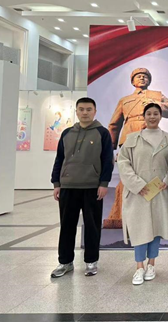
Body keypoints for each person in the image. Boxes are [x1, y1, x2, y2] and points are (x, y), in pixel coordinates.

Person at [104, 67, 168, 229]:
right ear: (132, 81)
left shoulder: (157, 95)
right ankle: (121, 215)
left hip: (151, 135)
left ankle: (148, 217)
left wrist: (156, 104)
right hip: (129, 137)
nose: (142, 78)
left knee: (150, 173)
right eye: (138, 76)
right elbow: (114, 124)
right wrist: (111, 148)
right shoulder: (125, 100)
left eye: (145, 76)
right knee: (128, 177)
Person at [50, 97, 114, 278]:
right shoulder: (67, 133)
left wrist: (104, 183)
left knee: (92, 226)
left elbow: (107, 160)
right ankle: (65, 262)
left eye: (88, 109)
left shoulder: (102, 133)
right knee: (67, 226)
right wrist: (56, 183)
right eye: (81, 109)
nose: (85, 112)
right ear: (76, 111)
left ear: (95, 111)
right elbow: (59, 159)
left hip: (92, 187)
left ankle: (91, 261)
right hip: (68, 186)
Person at [117, 103, 168, 285]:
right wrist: (137, 184)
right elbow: (123, 162)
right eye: (149, 113)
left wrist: (167, 180)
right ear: (144, 116)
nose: (152, 117)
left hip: (159, 191)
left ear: (160, 116)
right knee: (139, 228)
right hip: (138, 193)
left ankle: (151, 264)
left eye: (156, 113)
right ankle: (139, 267)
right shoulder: (132, 138)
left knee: (156, 228)